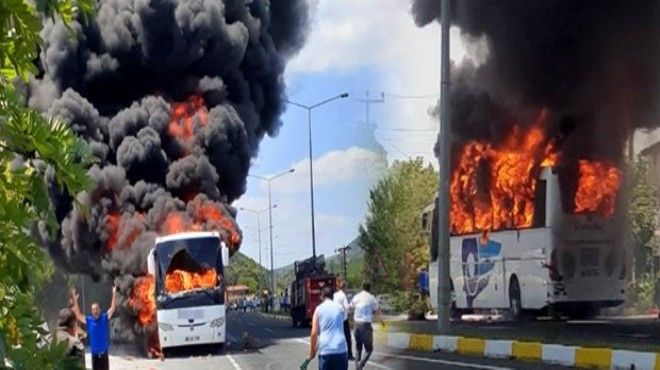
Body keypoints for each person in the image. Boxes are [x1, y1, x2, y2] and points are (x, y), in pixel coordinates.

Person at [71, 284, 117, 370]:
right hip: (94, 356)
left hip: (104, 355)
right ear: (91, 311)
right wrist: (74, 299)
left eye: (97, 308)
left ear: (99, 309)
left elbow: (113, 308)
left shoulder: (104, 317)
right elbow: (78, 315)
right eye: (93, 309)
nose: (95, 310)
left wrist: (114, 294)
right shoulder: (89, 320)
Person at [306, 286, 348, 370]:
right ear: (332, 296)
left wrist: (312, 351)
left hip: (325, 350)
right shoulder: (340, 308)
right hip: (340, 349)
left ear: (321, 297)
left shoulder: (318, 310)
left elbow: (314, 333)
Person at [349, 281, 385, 370]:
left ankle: (358, 367)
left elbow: (350, 308)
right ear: (370, 288)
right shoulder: (371, 298)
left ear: (362, 287)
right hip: (366, 326)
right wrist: (382, 321)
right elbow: (377, 311)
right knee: (369, 349)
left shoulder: (357, 296)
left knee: (358, 349)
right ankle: (361, 365)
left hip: (356, 325)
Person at [333, 281, 354, 360]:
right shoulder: (343, 296)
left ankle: (336, 354)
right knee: (348, 338)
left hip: (335, 319)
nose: (347, 289)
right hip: (343, 320)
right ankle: (349, 354)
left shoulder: (335, 295)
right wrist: (351, 311)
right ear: (344, 287)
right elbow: (347, 307)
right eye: (346, 287)